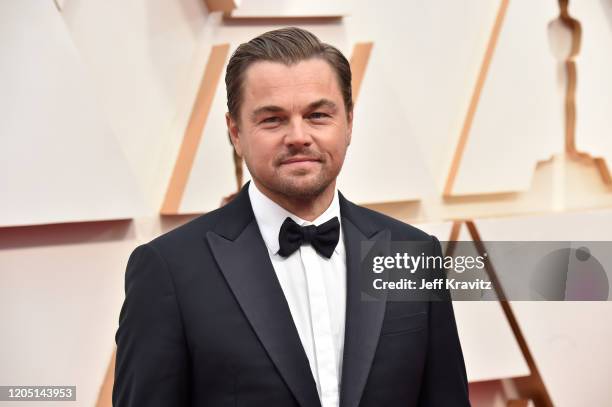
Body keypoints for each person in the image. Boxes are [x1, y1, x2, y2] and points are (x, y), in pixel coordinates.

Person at [113, 27, 469, 407]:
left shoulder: (412, 254)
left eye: (317, 115)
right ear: (235, 131)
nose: (298, 136)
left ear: (349, 121)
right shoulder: (168, 270)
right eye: (273, 119)